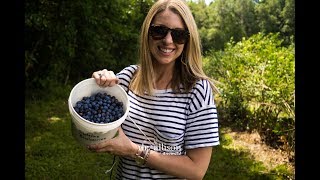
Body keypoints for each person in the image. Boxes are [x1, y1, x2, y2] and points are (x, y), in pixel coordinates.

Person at [88, 0, 220, 179]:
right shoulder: (128, 77)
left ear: (188, 40)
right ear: (147, 33)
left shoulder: (197, 90)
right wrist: (98, 86)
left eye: (178, 34)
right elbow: (95, 124)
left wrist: (135, 151)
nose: (168, 40)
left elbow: (196, 170)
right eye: (159, 31)